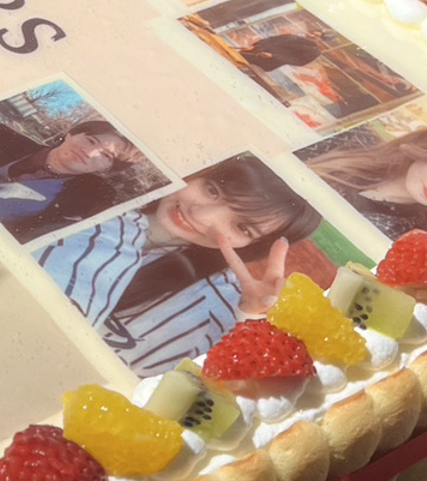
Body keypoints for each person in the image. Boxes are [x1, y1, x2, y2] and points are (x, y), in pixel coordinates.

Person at [37, 156, 322, 375]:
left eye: (242, 227)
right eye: (212, 190)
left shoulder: (219, 309)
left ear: (253, 246)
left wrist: (250, 321)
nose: (201, 215)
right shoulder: (85, 198)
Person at [0, 117, 145, 241]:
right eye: (91, 140)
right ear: (70, 134)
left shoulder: (82, 202)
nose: (89, 152)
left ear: (108, 169)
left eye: (106, 156)